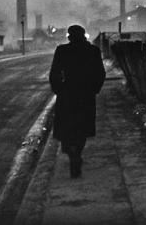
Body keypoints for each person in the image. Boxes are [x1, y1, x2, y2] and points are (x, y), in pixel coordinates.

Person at [49, 25, 106, 178]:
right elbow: (100, 73)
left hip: (67, 94)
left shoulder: (62, 51)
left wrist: (59, 90)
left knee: (66, 127)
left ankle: (71, 153)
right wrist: (94, 89)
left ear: (69, 37)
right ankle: (77, 153)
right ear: (84, 36)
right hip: (86, 94)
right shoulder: (93, 51)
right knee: (82, 127)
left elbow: (54, 74)